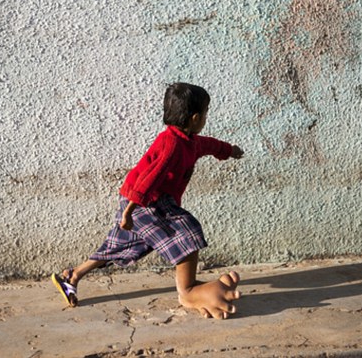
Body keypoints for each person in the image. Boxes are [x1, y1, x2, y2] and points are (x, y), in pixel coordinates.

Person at [52, 82, 244, 319]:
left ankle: (71, 276)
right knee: (186, 230)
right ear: (195, 118)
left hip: (148, 201)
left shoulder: (190, 141)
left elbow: (209, 145)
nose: (205, 118)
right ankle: (187, 291)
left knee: (122, 245)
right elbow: (148, 179)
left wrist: (229, 150)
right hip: (144, 201)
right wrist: (129, 212)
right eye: (205, 113)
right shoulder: (171, 144)